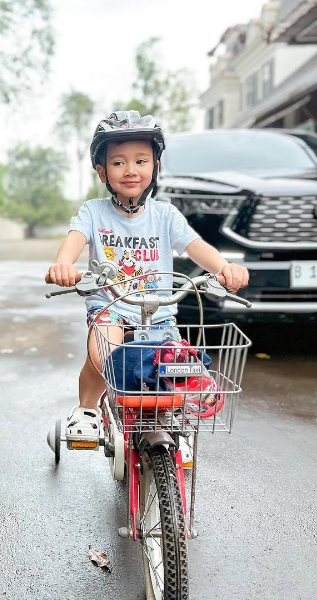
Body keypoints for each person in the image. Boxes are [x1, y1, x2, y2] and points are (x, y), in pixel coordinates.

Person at [45, 110, 249, 447]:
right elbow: (75, 240)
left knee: (170, 362)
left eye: (141, 160)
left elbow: (195, 246)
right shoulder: (93, 212)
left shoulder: (165, 214)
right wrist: (63, 264)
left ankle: (182, 398)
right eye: (118, 162)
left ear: (155, 166)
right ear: (102, 171)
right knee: (103, 356)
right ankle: (87, 410)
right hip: (110, 305)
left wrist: (224, 267)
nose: (130, 170)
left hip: (159, 310)